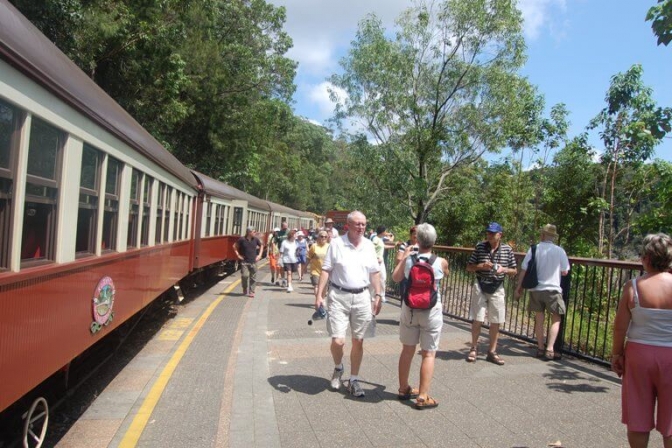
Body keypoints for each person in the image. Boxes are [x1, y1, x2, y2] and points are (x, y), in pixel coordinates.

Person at [612, 233, 672, 448]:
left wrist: (617, 354)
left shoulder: (633, 286)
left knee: (637, 416)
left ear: (646, 257)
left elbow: (620, 327)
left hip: (639, 356)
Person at [315, 211, 382, 397]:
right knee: (338, 340)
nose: (361, 227)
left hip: (362, 297)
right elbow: (326, 270)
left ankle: (353, 379)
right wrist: (319, 295)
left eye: (364, 224)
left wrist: (378, 295)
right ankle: (338, 367)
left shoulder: (369, 246)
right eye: (357, 224)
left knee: (358, 340)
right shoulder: (336, 244)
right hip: (338, 295)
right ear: (348, 225)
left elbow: (374, 272)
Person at [392, 223, 449, 409]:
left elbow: (396, 278)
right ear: (433, 241)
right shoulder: (440, 262)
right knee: (428, 353)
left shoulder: (410, 260)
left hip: (409, 310)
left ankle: (403, 388)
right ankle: (423, 396)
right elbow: (445, 274)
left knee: (407, 350)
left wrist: (405, 256)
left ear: (418, 239)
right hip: (431, 311)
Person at [515, 224, 570, 360]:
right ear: (553, 237)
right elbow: (565, 271)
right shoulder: (559, 251)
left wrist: (519, 287)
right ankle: (550, 349)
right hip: (553, 289)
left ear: (543, 235)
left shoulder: (534, 249)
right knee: (556, 318)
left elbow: (524, 269)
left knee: (539, 319)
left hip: (536, 289)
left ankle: (540, 348)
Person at [465, 222, 517, 365]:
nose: (489, 235)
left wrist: (503, 269)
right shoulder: (480, 247)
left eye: (492, 233)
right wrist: (481, 266)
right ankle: (473, 348)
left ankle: (492, 351)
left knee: (496, 320)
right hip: (480, 284)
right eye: (488, 233)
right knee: (478, 318)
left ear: (500, 235)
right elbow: (469, 267)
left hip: (497, 286)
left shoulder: (507, 249)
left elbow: (514, 270)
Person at [233, 226, 262, 297]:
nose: (255, 233)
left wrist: (259, 255)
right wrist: (238, 255)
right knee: (244, 276)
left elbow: (262, 245)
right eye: (254, 232)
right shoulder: (242, 240)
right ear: (249, 232)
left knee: (253, 277)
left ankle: (252, 291)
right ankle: (245, 288)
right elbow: (234, 246)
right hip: (245, 261)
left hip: (253, 261)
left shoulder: (256, 239)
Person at [308, 230, 330, 297]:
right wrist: (303, 269)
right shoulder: (314, 246)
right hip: (315, 270)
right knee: (316, 285)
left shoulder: (329, 246)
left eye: (325, 237)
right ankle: (318, 300)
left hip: (326, 271)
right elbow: (308, 257)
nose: (323, 238)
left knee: (324, 286)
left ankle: (322, 299)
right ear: (318, 237)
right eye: (322, 236)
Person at [371, 225, 389, 303]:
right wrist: (376, 257)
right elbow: (372, 247)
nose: (386, 232)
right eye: (385, 231)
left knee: (383, 278)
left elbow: (383, 246)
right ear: (382, 231)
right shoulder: (375, 239)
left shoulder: (380, 239)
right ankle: (373, 296)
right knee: (376, 278)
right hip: (377, 262)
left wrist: (394, 245)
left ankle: (382, 296)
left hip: (381, 262)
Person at [274, 221, 289, 286]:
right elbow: (275, 243)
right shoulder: (278, 234)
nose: (285, 229)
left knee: (289, 269)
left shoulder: (289, 233)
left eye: (286, 227)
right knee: (281, 267)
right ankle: (283, 280)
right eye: (284, 227)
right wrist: (275, 251)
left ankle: (289, 281)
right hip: (281, 253)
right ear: (282, 227)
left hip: (288, 253)